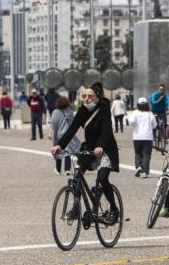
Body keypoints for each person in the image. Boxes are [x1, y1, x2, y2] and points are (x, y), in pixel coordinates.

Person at [51, 82, 120, 222]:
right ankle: (76, 208)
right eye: (84, 96)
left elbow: (107, 130)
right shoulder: (83, 110)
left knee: (102, 179)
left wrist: (100, 146)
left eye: (90, 96)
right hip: (89, 149)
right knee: (77, 175)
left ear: (98, 97)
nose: (86, 99)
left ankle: (114, 209)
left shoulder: (104, 108)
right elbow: (72, 129)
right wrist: (59, 145)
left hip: (105, 149)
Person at [49, 96, 80, 176]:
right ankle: (67, 170)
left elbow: (52, 124)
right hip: (68, 134)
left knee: (57, 151)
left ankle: (58, 170)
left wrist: (50, 134)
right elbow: (73, 123)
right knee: (68, 152)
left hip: (58, 134)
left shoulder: (55, 112)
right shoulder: (70, 111)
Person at [126, 97, 157, 178]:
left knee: (138, 153)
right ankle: (145, 172)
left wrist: (136, 125)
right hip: (148, 137)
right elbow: (155, 125)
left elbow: (132, 122)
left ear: (138, 105)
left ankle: (138, 166)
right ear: (147, 104)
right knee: (146, 154)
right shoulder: (150, 113)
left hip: (137, 136)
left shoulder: (135, 113)